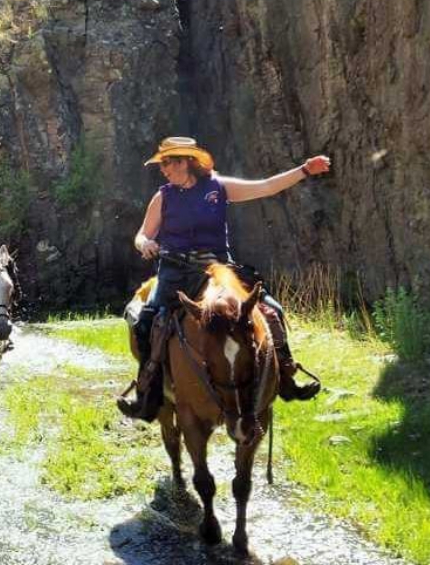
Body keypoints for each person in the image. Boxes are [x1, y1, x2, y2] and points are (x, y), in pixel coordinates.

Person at [117, 137, 327, 422]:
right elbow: (142, 234)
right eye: (162, 164)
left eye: (167, 163)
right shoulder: (163, 196)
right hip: (174, 270)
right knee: (145, 321)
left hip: (217, 269)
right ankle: (147, 391)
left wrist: (304, 170)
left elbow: (266, 186)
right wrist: (145, 245)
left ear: (186, 162)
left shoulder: (219, 187)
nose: (163, 169)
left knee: (272, 310)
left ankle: (287, 377)